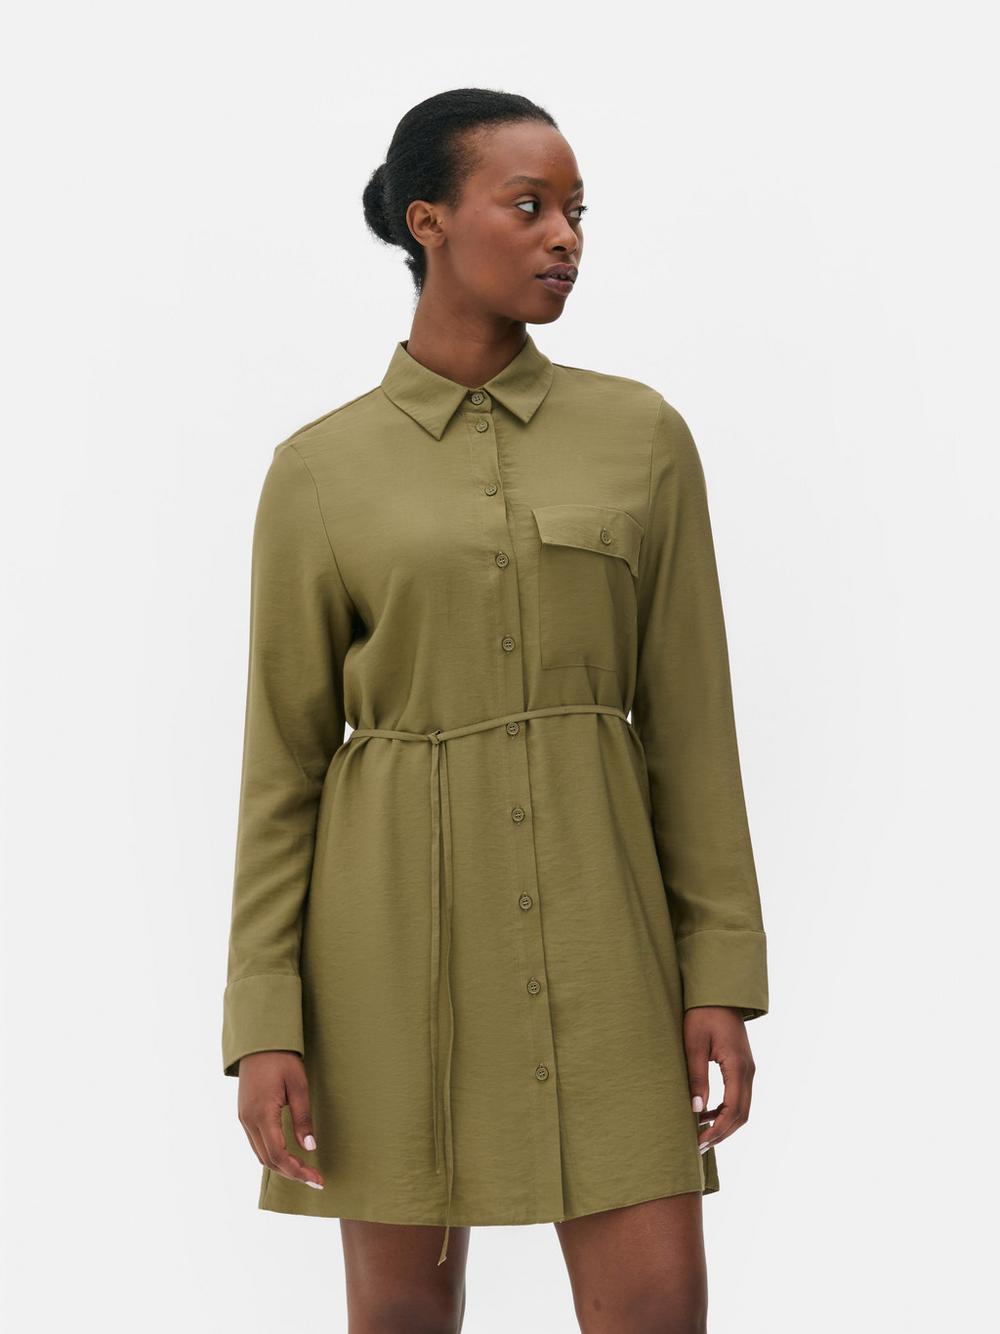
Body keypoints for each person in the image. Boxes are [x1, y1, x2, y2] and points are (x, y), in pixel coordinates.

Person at [221, 86, 769, 1334]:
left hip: (605, 933)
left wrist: (719, 975)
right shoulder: (318, 470)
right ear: (427, 221)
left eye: (576, 211)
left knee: (658, 1306)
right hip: (382, 947)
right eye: (528, 206)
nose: (564, 236)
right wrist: (264, 1020)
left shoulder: (641, 437)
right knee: (402, 1317)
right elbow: (280, 767)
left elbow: (692, 728)